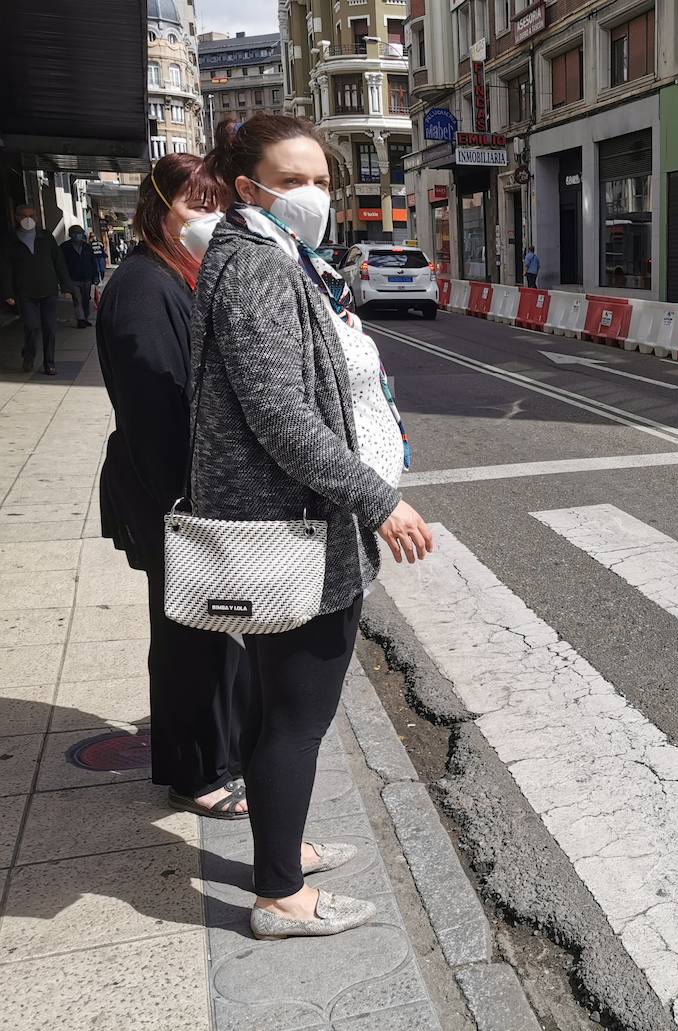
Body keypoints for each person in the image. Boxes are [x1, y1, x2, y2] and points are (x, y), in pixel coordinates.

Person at [199, 114, 431, 940]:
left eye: (322, 180)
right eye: (292, 180)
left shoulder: (274, 257)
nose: (313, 195)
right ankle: (280, 898)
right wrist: (379, 499)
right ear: (247, 187)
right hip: (298, 530)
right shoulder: (259, 268)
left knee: (279, 710)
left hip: (303, 523)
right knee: (296, 715)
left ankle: (281, 851)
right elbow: (282, 417)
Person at [95, 153, 253, 822]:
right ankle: (197, 773)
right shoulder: (142, 289)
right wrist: (192, 509)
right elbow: (156, 414)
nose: (209, 219)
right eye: (195, 205)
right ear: (159, 209)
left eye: (218, 205)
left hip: (184, 494)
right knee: (190, 636)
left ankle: (212, 753)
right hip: (172, 498)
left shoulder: (177, 277)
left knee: (203, 632)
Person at [1, 205, 76, 374]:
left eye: (31, 215)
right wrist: (8, 293)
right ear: (16, 217)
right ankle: (29, 355)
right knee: (32, 326)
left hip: (48, 290)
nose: (28, 219)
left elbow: (59, 263)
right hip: (25, 292)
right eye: (24, 215)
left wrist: (66, 287)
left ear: (36, 217)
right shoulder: (10, 240)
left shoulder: (46, 237)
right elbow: (5, 268)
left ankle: (49, 362)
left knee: (50, 328)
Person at [61, 226, 102, 328]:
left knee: (86, 299)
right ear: (70, 235)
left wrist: (96, 276)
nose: (77, 235)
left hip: (87, 278)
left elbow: (93, 263)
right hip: (73, 279)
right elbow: (62, 265)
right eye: (74, 233)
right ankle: (81, 319)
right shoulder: (64, 247)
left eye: (79, 233)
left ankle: (85, 318)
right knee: (77, 299)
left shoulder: (87, 247)